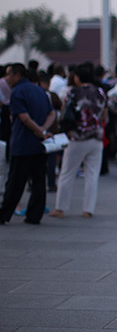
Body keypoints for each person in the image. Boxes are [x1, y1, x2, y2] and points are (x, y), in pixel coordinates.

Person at [50, 62, 108, 219]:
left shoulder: (73, 93)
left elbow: (64, 112)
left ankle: (60, 208)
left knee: (67, 172)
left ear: (78, 77)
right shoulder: (100, 92)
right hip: (96, 138)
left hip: (77, 138)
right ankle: (88, 210)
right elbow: (104, 115)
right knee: (92, 174)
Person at [0, 64, 55, 225]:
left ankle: (4, 214)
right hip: (39, 145)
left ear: (17, 75)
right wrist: (43, 130)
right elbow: (52, 113)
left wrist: (38, 130)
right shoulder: (39, 90)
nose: (6, 78)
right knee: (38, 181)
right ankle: (34, 215)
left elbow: (23, 117)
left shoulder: (18, 92)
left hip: (23, 143)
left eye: (9, 74)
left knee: (15, 183)